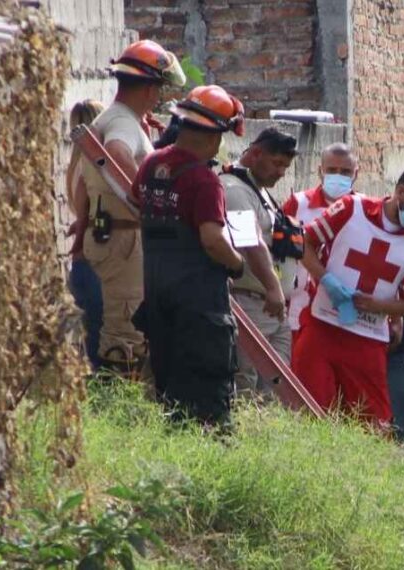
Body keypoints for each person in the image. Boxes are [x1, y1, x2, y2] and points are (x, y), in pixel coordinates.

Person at [131, 85, 246, 427]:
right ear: (215, 138)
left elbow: (138, 200)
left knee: (169, 393)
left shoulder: (151, 163)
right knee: (207, 401)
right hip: (199, 306)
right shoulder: (204, 181)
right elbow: (211, 238)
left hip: (156, 294)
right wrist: (237, 265)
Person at [292, 167, 404, 425]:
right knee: (308, 410)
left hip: (368, 338)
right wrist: (325, 278)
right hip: (321, 325)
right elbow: (305, 244)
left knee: (373, 424)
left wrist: (378, 306)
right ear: (401, 192)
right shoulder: (351, 208)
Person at [78, 40, 186, 376]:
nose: (159, 97)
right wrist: (149, 199)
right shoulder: (123, 121)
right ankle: (117, 410)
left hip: (115, 236)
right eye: (158, 89)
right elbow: (117, 152)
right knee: (123, 334)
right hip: (124, 240)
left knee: (128, 328)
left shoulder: (122, 118)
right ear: (149, 87)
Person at [220, 127, 296, 395]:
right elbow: (247, 240)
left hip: (272, 308)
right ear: (254, 154)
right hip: (250, 301)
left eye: (285, 166)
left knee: (278, 392)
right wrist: (274, 287)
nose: (281, 172)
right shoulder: (234, 189)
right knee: (246, 388)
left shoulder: (259, 190)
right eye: (276, 163)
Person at [282, 142, 359, 345]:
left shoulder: (365, 211)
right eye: (332, 170)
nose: (338, 176)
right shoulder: (298, 204)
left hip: (346, 315)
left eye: (345, 172)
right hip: (299, 311)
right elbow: (276, 252)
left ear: (355, 174)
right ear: (320, 171)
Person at [65, 99, 106, 369]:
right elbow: (87, 215)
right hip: (91, 261)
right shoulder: (89, 169)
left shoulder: (75, 165)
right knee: (99, 348)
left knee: (91, 345)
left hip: (81, 264)